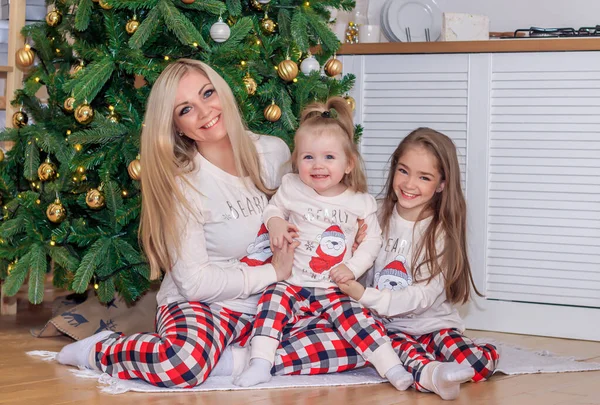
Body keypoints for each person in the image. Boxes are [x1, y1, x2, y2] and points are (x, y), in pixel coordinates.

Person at [55, 59, 366, 387]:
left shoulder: (273, 153)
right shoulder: (183, 184)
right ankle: (102, 350)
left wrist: (347, 239)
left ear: (223, 92)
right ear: (176, 126)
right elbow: (194, 283)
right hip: (208, 304)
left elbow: (310, 210)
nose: (205, 112)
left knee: (360, 341)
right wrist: (273, 273)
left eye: (208, 94)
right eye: (186, 109)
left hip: (275, 303)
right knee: (182, 364)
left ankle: (230, 359)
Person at [234, 97, 413, 391]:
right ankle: (261, 363)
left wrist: (352, 268)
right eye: (308, 158)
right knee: (270, 302)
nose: (318, 166)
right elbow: (273, 209)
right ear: (297, 161)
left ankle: (391, 367)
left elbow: (372, 240)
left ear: (348, 164)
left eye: (329, 157)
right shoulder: (292, 186)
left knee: (358, 318)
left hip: (334, 286)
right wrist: (275, 222)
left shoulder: (360, 201)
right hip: (293, 282)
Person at [339, 128, 500, 400]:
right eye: (404, 171)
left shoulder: (440, 231)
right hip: (388, 327)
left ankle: (450, 356)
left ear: (441, 184)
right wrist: (355, 253)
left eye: (424, 177)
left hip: (433, 323)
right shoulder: (373, 214)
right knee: (399, 354)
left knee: (476, 364)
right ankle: (431, 372)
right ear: (394, 169)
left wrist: (369, 296)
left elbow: (424, 295)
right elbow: (352, 275)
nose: (409, 184)